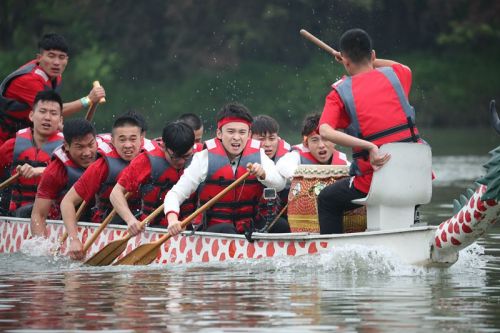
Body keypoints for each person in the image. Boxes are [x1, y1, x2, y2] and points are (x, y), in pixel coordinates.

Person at [317, 28, 423, 234]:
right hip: (416, 177)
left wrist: (369, 146)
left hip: (376, 181)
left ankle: (332, 258)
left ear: (345, 62)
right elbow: (401, 65)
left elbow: (325, 131)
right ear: (373, 55)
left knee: (327, 200)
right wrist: (362, 60)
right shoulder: (398, 76)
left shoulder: (339, 93)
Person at [164, 102, 287, 236]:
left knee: (281, 225)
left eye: (242, 132)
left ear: (249, 134)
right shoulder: (203, 158)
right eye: (230, 131)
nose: (236, 137)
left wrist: (263, 174)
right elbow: (175, 194)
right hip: (215, 230)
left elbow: (280, 185)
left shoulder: (259, 155)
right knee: (227, 230)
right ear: (219, 133)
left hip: (250, 226)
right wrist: (172, 220)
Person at [61, 114, 145, 259]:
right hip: (109, 221)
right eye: (122, 139)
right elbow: (67, 202)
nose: (128, 145)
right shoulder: (101, 167)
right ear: (112, 141)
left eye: (133, 139)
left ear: (142, 140)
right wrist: (74, 239)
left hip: (142, 221)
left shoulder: (150, 160)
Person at [0, 33, 106, 146]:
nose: (56, 63)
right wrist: (88, 99)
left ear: (67, 60)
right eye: (51, 56)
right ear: (39, 58)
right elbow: (54, 110)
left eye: (61, 57)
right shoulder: (29, 80)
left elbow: (54, 113)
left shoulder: (55, 76)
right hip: (4, 138)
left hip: (20, 137)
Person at [110, 121, 199, 236]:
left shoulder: (200, 158)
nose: (182, 162)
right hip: (153, 230)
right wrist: (130, 220)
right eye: (175, 157)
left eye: (186, 156)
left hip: (188, 229)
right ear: (163, 146)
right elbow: (115, 193)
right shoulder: (145, 161)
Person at [30, 118, 99, 237]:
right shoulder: (54, 171)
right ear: (66, 146)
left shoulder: (106, 157)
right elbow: (39, 215)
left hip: (100, 217)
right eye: (80, 147)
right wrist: (41, 249)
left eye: (91, 145)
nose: (87, 153)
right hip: (65, 220)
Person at [0, 90, 64, 217]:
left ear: (60, 120)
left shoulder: (67, 150)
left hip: (54, 218)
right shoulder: (10, 146)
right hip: (15, 219)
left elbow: (75, 176)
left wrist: (37, 171)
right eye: (42, 111)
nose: (47, 117)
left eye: (53, 113)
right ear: (31, 115)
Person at [277, 113, 350, 181]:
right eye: (315, 140)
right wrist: (305, 178)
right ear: (306, 143)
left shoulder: (345, 163)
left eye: (326, 139)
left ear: (335, 140)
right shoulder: (296, 155)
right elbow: (282, 165)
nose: (321, 145)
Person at [251, 115, 291, 230]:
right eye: (261, 139)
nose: (267, 144)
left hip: (282, 213)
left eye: (272, 139)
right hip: (254, 217)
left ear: (278, 138)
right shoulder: (245, 157)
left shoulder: (290, 156)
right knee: (281, 226)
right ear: (250, 138)